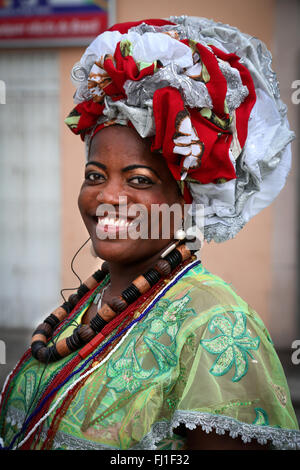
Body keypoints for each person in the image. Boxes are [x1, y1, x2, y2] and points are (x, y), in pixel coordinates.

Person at [0, 16, 299, 451]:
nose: (108, 196)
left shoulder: (215, 324)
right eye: (94, 174)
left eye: (139, 179)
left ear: (188, 199)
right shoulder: (87, 303)